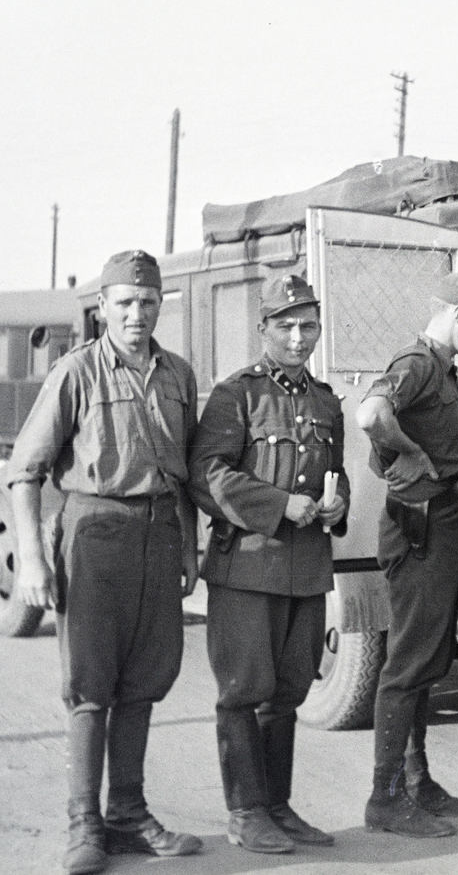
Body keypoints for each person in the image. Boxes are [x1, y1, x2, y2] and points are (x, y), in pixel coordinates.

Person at [6, 251, 203, 875]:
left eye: (147, 303)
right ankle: (83, 826)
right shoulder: (77, 373)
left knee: (145, 679)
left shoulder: (177, 375)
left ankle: (128, 814)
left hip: (159, 535)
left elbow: (187, 472)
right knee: (91, 686)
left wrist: (189, 546)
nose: (137, 315)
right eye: (124, 304)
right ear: (103, 309)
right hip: (93, 534)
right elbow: (25, 472)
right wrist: (32, 560)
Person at [188, 275, 350, 854]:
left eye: (307, 326)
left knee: (289, 689)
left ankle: (276, 805)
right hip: (248, 568)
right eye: (285, 326)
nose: (298, 337)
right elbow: (208, 475)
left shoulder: (325, 400)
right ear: (264, 330)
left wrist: (337, 505)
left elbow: (337, 473)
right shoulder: (237, 395)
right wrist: (282, 505)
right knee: (243, 689)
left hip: (305, 568)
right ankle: (245, 810)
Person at [356, 271, 458, 838]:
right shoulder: (418, 363)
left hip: (437, 522)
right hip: (417, 526)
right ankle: (385, 798)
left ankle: (416, 784)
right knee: (409, 663)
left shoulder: (440, 369)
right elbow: (370, 415)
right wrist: (412, 450)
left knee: (426, 659)